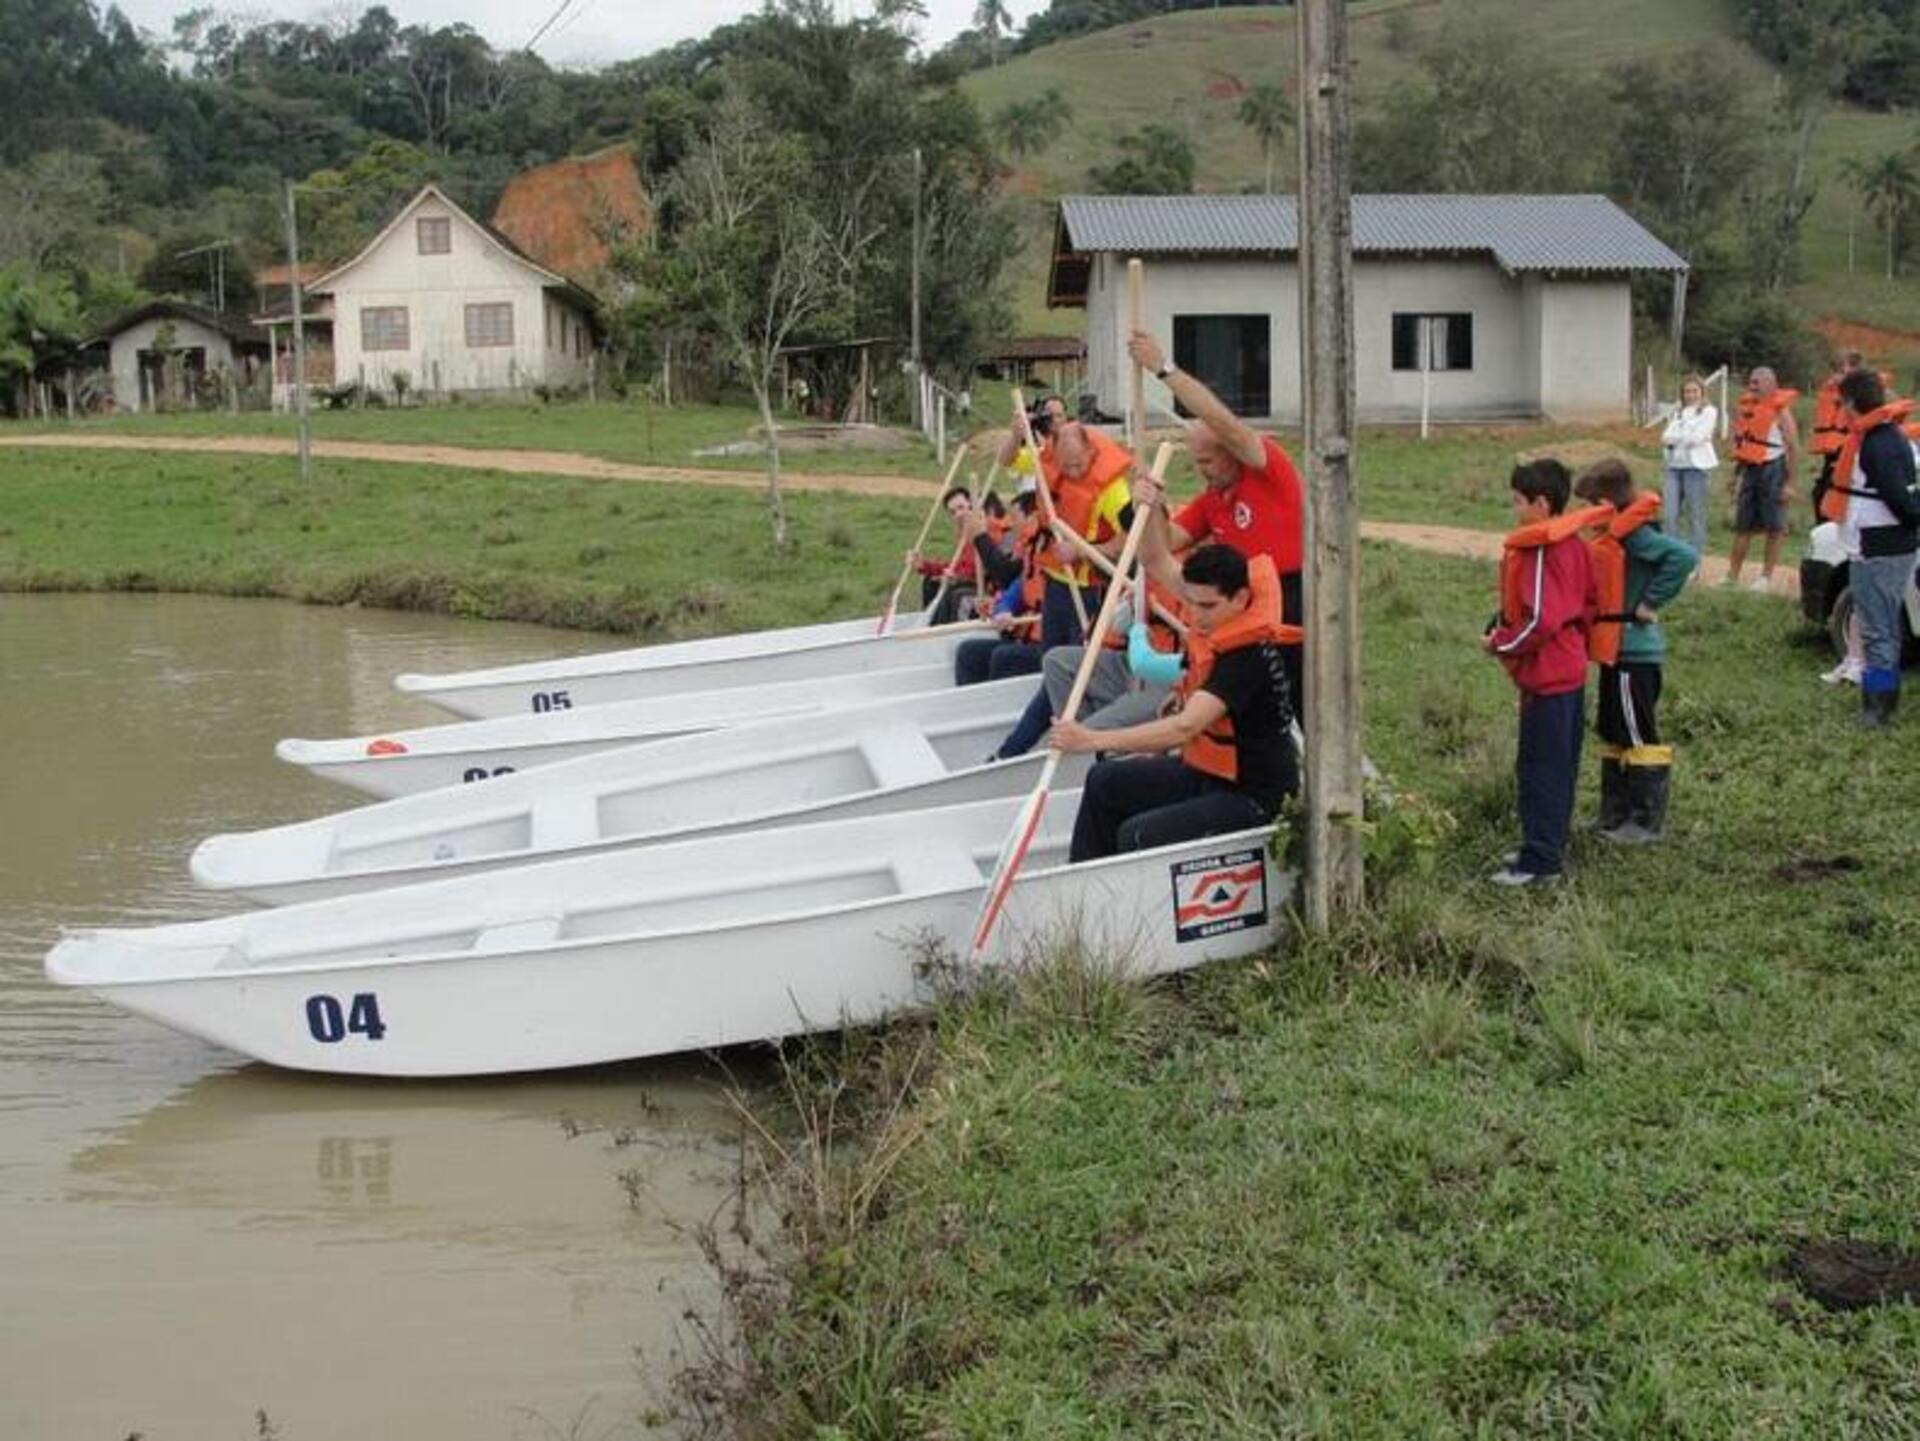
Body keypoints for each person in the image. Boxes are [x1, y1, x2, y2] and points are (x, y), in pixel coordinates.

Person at [1054, 545, 1298, 862]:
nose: (1196, 616)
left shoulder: (1246, 656)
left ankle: (1133, 906)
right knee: (1104, 780)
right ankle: (1083, 888)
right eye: (1191, 604)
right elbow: (1154, 556)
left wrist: (1091, 739)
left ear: (1240, 598)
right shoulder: (1217, 633)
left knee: (1138, 834)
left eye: (1207, 606)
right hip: (1212, 775)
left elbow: (1186, 726)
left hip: (1252, 796)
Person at [1124, 328, 1306, 707]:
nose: (1201, 469)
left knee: (1293, 700)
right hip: (1239, 606)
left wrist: (1163, 369)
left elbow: (1222, 421)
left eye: (1207, 460)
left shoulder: (1268, 470)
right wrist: (1152, 503)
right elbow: (1164, 545)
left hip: (1292, 602)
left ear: (1231, 453)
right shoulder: (1211, 502)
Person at [1484, 459, 1606, 887]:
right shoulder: (1577, 545)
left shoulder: (1541, 550)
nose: (1513, 508)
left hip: (1548, 677)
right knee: (1560, 765)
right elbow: (1590, 604)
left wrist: (1499, 643)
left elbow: (1541, 621)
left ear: (1541, 503)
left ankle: (1540, 862)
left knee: (1539, 769)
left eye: (1518, 501)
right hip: (1569, 671)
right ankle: (1546, 842)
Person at [1573, 459, 1697, 843]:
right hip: (1616, 651)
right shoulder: (1616, 533)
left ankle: (1645, 821)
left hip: (1634, 654)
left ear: (1607, 500)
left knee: (1638, 732)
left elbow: (1683, 557)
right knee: (1614, 729)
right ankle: (1614, 813)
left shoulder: (1636, 535)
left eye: (1593, 502)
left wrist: (1650, 602)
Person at [1824, 369, 1920, 727]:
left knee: (1879, 631)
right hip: (1878, 547)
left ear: (1851, 403)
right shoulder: (1885, 438)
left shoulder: (1879, 444)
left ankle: (1878, 710)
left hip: (1881, 549)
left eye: (1841, 402)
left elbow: (1902, 501)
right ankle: (1879, 704)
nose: (1840, 409)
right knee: (1881, 629)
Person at [1725, 366, 1800, 592]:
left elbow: (1793, 447)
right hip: (1750, 469)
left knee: (1774, 526)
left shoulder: (1781, 412)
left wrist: (1790, 483)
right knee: (1742, 525)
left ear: (1771, 384)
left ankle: (1765, 578)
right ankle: (1731, 575)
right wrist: (1734, 476)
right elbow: (1743, 446)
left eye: (1757, 382)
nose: (1752, 386)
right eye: (1751, 381)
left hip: (1773, 469)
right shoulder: (1748, 410)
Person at [1659, 374, 1717, 560]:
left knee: (1695, 515)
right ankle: (1673, 556)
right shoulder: (1677, 413)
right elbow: (1665, 437)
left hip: (1695, 467)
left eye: (1694, 391)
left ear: (1701, 392)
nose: (1690, 395)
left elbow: (1698, 437)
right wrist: (1682, 438)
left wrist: (1678, 438)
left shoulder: (1709, 411)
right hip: (1673, 467)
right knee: (1669, 515)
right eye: (1687, 391)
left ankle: (1694, 559)